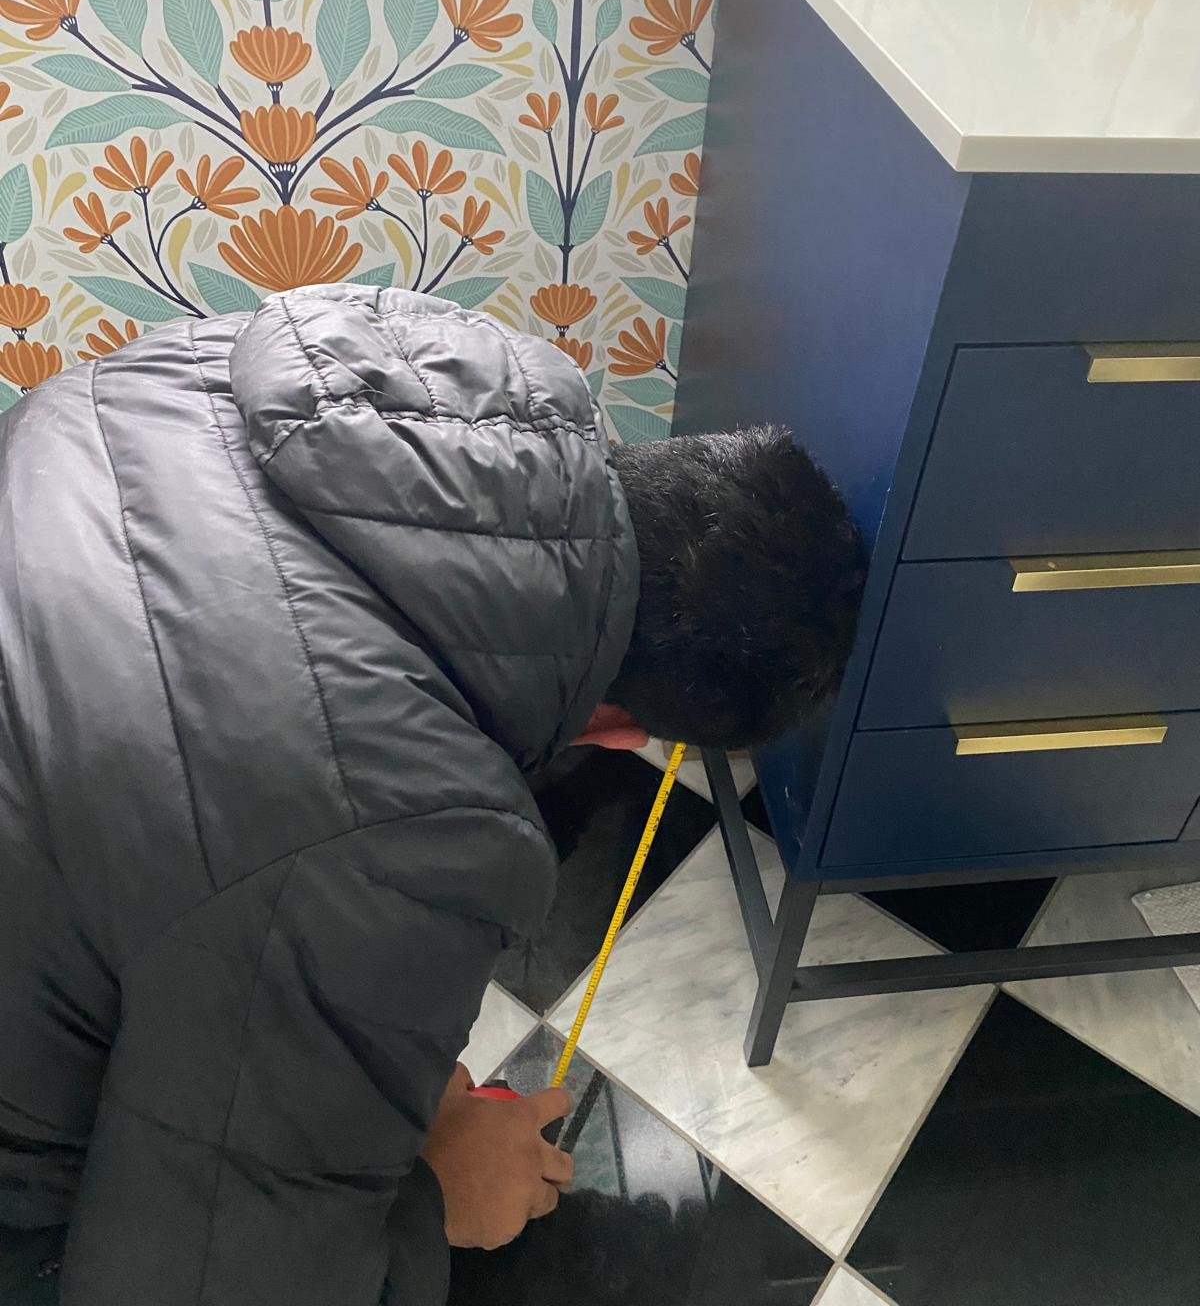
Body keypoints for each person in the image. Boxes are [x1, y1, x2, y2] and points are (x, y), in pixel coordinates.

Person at [0, 285, 864, 1306]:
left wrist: (341, 1073)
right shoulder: (400, 839)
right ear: (625, 733)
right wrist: (436, 1198)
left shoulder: (231, 361)